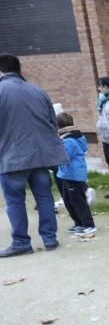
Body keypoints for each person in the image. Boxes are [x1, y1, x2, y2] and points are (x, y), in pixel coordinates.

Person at [0, 54, 67, 257]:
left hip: (12, 157)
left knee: (14, 200)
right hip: (41, 156)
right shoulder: (38, 91)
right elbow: (53, 123)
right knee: (44, 196)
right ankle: (49, 238)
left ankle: (21, 242)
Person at [55, 113, 96, 236]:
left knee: (78, 201)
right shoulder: (68, 138)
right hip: (66, 175)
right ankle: (79, 223)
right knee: (68, 200)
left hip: (73, 175)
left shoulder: (69, 141)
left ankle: (89, 224)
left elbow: (64, 157)